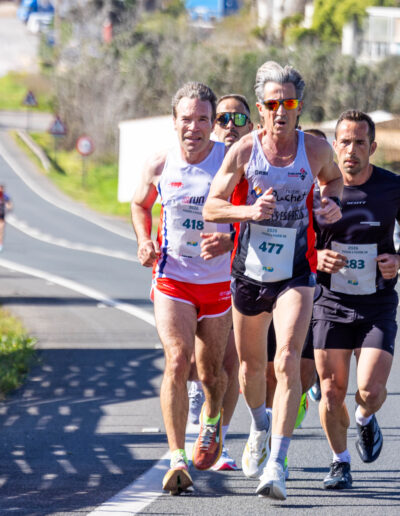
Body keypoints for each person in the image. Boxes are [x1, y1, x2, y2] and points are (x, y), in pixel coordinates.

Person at [203, 61, 343, 500]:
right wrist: (248, 212)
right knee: (250, 369)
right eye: (272, 104)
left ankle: (277, 465)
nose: (281, 111)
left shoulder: (315, 150)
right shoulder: (245, 152)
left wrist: (331, 204)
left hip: (296, 274)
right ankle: (260, 426)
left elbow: (334, 181)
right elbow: (211, 206)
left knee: (285, 361)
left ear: (299, 108)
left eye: (290, 103)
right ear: (260, 109)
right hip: (249, 272)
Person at [131, 82, 233, 495]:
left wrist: (230, 239)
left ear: (213, 123)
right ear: (174, 122)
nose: (194, 127)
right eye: (186, 119)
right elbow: (140, 204)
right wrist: (144, 240)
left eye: (202, 119)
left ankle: (212, 418)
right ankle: (176, 458)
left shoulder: (231, 162)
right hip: (172, 279)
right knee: (177, 360)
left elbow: (257, 213)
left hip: (219, 283)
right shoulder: (160, 164)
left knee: (211, 374)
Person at [312, 110, 400, 490]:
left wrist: (399, 260)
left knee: (370, 391)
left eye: (359, 143)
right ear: (334, 146)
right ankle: (340, 461)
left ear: (372, 147)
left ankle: (364, 418)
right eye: (345, 142)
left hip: (376, 303)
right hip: (329, 301)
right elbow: (297, 240)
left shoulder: (392, 188)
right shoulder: (317, 189)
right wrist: (316, 257)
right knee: (332, 391)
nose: (351, 150)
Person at [188, 93, 253, 471]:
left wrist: (233, 240)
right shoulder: (196, 160)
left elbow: (272, 219)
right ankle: (197, 400)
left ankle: (217, 439)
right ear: (213, 124)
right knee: (191, 361)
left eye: (239, 119)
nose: (230, 125)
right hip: (189, 277)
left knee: (229, 363)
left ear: (250, 125)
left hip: (239, 274)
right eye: (223, 118)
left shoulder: (255, 163)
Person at [0, 184, 12, 252]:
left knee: (1, 230)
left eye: (2, 189)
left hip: (2, 214)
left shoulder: (5, 196)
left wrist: (8, 207)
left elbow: (9, 205)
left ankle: (0, 244)